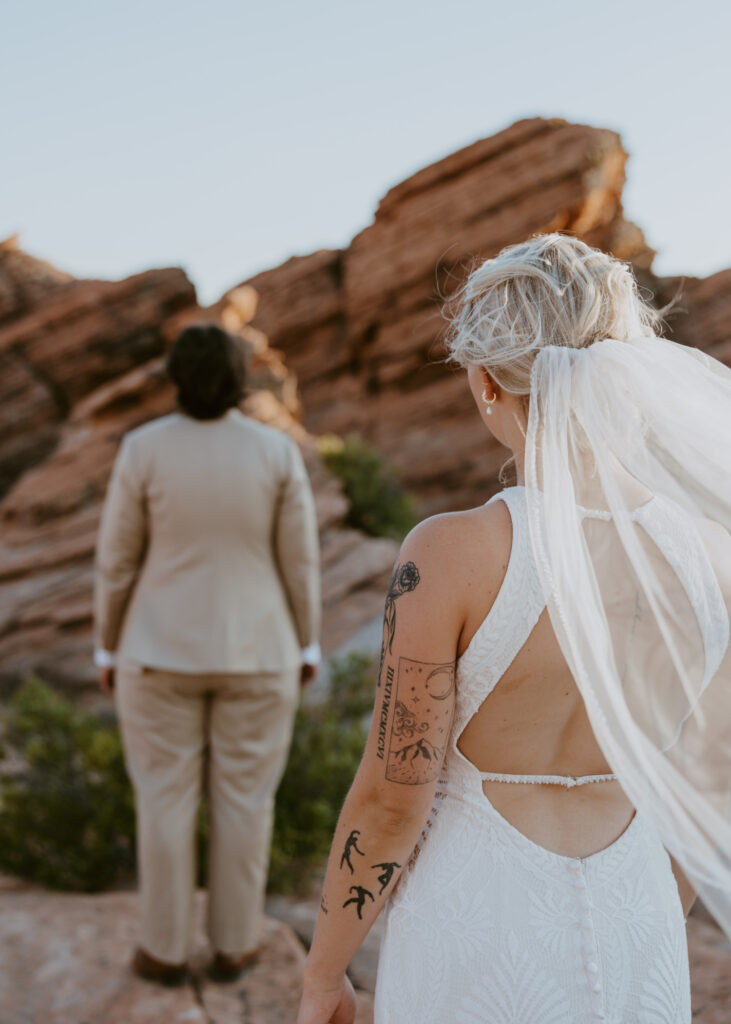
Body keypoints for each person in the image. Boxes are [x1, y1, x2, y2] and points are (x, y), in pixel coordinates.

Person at [296, 233, 731, 1024]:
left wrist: (323, 974)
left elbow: (392, 801)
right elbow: (712, 776)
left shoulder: (451, 553)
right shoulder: (710, 554)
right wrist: (644, 907)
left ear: (487, 381)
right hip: (638, 911)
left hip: (475, 921)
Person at [93, 323, 321, 987]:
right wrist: (305, 640)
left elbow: (115, 562)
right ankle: (235, 946)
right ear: (240, 377)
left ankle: (163, 952)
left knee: (162, 800)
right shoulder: (276, 453)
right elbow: (300, 562)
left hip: (155, 652)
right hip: (261, 651)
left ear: (174, 377)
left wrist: (107, 645)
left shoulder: (141, 449)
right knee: (246, 801)